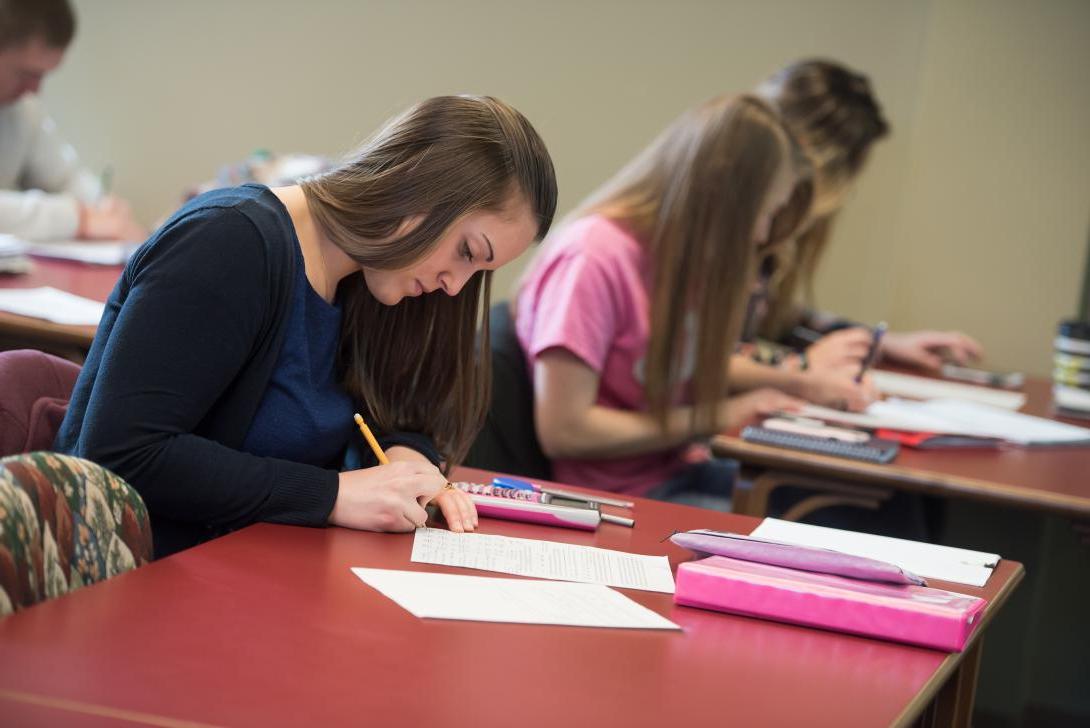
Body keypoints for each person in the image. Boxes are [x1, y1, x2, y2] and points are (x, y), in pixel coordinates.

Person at [55, 95, 557, 557]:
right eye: (467, 252)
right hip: (131, 576)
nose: (456, 286)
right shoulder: (229, 244)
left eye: (479, 272)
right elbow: (123, 453)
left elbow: (394, 412)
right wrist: (333, 495)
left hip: (246, 574)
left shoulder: (367, 275)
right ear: (416, 187)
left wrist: (408, 461)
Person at [514, 95, 813, 503]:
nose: (761, 234)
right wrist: (715, 416)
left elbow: (679, 362)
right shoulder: (595, 257)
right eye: (763, 213)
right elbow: (566, 430)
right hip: (620, 495)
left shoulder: (672, 257)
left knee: (852, 514)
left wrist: (799, 384)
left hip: (677, 468)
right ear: (723, 197)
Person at [756, 59, 983, 374]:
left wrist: (880, 342)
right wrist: (800, 365)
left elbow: (771, 315)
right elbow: (702, 358)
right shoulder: (737, 220)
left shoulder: (767, 228)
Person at [0, 0, 145, 241]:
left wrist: (103, 205)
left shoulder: (21, 109)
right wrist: (80, 219)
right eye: (26, 74)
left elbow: (64, 177)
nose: (35, 90)